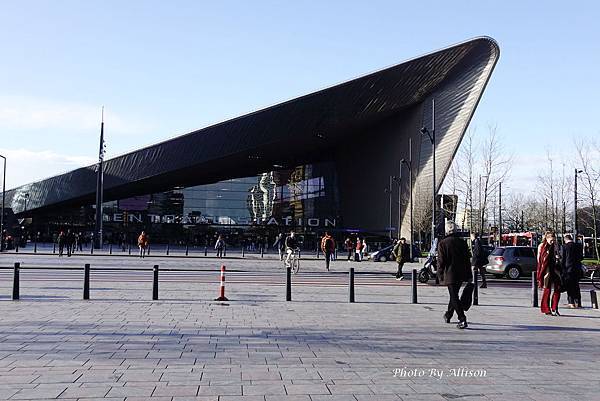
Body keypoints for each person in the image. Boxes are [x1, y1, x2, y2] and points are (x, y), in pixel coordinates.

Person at [437, 220, 472, 329]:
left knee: (454, 296)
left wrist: (440, 274)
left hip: (450, 273)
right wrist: (469, 274)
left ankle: (462, 319)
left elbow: (441, 261)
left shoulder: (443, 243)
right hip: (461, 273)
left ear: (447, 231)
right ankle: (448, 314)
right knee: (454, 295)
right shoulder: (462, 242)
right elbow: (467, 260)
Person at [537, 230, 562, 316]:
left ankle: (555, 307)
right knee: (547, 289)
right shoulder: (541, 246)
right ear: (547, 238)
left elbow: (558, 255)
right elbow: (539, 260)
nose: (553, 242)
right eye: (551, 240)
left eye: (554, 240)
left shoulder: (555, 245)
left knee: (558, 288)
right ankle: (546, 309)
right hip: (546, 269)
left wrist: (558, 257)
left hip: (555, 268)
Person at [561, 234, 583, 308]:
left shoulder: (564, 247)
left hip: (568, 269)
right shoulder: (578, 246)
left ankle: (571, 302)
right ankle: (578, 302)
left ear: (565, 239)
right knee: (576, 285)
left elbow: (563, 259)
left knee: (569, 286)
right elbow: (581, 257)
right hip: (577, 268)